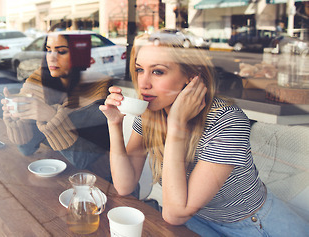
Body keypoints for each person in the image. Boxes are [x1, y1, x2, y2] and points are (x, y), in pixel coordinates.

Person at [100, 35, 308, 236]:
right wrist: (115, 123)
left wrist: (176, 125)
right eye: (139, 69)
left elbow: (175, 213)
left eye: (158, 72)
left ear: (191, 77)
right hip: (197, 222)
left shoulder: (226, 120)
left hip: (253, 225)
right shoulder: (151, 113)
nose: (143, 83)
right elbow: (124, 185)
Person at [1, 32, 112, 179]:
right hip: (55, 177)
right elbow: (26, 149)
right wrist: (17, 121)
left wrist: (51, 117)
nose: (51, 57)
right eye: (48, 50)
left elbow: (83, 159)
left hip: (97, 183)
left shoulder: (97, 92)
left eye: (61, 51)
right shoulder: (38, 87)